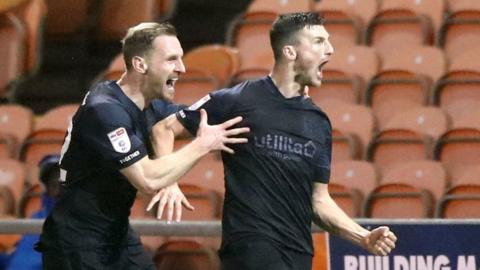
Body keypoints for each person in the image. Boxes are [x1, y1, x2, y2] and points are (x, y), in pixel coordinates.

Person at [148, 12, 397, 270]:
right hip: (251, 250)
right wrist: (168, 182)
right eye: (319, 41)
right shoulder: (237, 100)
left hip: (299, 254)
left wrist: (363, 236)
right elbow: (164, 129)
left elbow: (319, 201)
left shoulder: (318, 121)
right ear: (290, 52)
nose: (330, 50)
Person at [36, 22, 249, 270]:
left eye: (180, 58)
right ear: (140, 64)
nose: (182, 68)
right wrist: (203, 144)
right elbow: (147, 179)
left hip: (116, 236)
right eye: (171, 59)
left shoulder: (151, 105)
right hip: (76, 243)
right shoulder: (104, 109)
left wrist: (253, 103)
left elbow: (175, 123)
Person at [5, 155, 60, 270]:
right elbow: (19, 258)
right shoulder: (36, 218)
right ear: (47, 188)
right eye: (53, 184)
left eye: (64, 183)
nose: (59, 189)